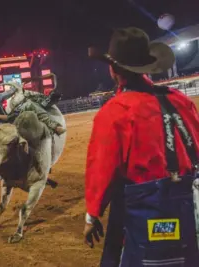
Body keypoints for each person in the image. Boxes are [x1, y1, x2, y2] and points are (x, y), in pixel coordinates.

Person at [83, 27, 199, 266]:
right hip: (192, 201)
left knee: (155, 255)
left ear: (113, 70)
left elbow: (102, 168)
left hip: (152, 207)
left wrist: (92, 213)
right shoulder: (182, 101)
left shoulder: (116, 112)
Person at [0, 79, 66, 136]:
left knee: (28, 104)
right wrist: (11, 116)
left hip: (8, 120)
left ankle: (53, 125)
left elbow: (8, 93)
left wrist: (18, 86)